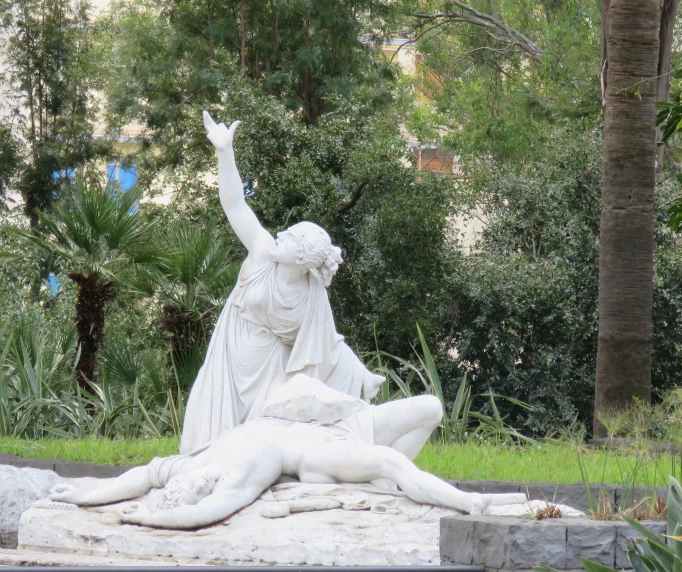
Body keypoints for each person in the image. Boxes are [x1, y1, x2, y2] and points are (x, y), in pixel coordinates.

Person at [180, 112, 384, 454]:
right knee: (210, 439)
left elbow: (327, 344)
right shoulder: (262, 252)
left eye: (289, 238)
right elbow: (234, 203)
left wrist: (361, 376)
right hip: (231, 357)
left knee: (260, 444)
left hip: (272, 371)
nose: (280, 235)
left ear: (302, 260)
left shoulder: (311, 295)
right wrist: (224, 151)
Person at [49, 399, 517, 530]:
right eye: (196, 486)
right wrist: (153, 517)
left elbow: (134, 477)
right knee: (392, 464)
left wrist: (86, 492)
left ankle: (392, 485)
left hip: (331, 417)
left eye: (190, 482)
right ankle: (469, 502)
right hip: (315, 451)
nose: (194, 481)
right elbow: (203, 515)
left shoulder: (186, 464)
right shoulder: (236, 477)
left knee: (431, 406)